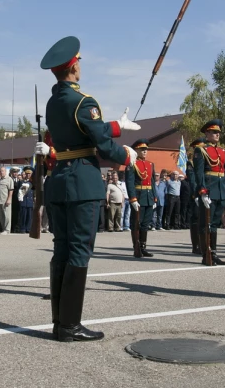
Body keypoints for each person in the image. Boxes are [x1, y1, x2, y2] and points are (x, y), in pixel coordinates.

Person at [36, 35, 139, 342]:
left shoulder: (55, 102)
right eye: (78, 61)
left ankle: (59, 323)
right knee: (79, 252)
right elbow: (101, 143)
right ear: (73, 66)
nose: (80, 64)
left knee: (62, 251)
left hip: (61, 182)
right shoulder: (85, 102)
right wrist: (126, 155)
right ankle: (70, 326)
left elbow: (88, 129)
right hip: (83, 183)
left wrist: (118, 125)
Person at [193, 119, 225, 266]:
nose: (217, 135)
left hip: (220, 189)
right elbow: (199, 172)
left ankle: (213, 253)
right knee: (205, 223)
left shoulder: (222, 151)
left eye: (218, 133)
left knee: (214, 223)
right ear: (207, 133)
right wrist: (202, 191)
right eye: (214, 132)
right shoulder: (201, 150)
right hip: (209, 189)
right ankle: (205, 254)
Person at [125, 138, 157, 258]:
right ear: (136, 150)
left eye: (146, 149)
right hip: (138, 197)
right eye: (142, 149)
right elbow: (129, 182)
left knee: (145, 224)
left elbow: (152, 182)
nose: (144, 151)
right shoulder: (132, 164)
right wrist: (132, 198)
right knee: (136, 223)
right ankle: (136, 247)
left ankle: (143, 247)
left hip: (148, 196)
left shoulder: (150, 164)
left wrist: (155, 197)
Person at [186, 138, 205, 254]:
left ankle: (203, 244)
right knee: (196, 219)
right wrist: (196, 193)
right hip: (196, 194)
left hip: (204, 192)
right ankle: (196, 245)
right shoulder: (191, 163)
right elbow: (193, 180)